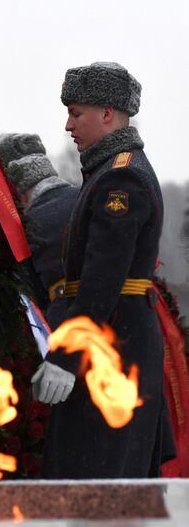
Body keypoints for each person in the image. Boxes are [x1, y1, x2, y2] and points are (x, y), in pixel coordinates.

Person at [32, 61, 174, 478]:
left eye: (76, 113)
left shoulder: (120, 178)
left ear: (107, 113)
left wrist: (66, 356)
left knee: (98, 476)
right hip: (116, 337)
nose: (68, 126)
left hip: (114, 346)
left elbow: (101, 281)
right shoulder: (110, 171)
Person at [6, 148, 79, 330]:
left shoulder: (28, 224)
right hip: (119, 303)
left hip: (66, 317)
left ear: (22, 194)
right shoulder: (88, 194)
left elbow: (32, 287)